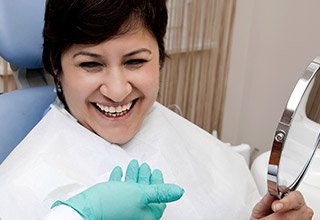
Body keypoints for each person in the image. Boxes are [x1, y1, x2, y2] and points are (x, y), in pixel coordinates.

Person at [0, 0, 313, 219]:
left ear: (160, 58)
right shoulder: (20, 187)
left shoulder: (185, 136)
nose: (118, 89)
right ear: (57, 66)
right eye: (91, 64)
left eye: (136, 61)